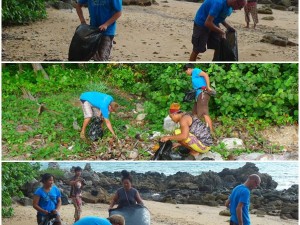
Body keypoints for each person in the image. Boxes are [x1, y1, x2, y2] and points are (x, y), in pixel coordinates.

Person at [183, 63, 213, 132]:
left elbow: (206, 75)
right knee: (194, 113)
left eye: (186, 71)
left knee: (204, 113)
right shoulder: (193, 75)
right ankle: (196, 130)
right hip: (198, 95)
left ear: (189, 69)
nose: (186, 73)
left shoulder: (196, 71)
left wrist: (208, 87)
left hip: (203, 93)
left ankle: (211, 132)